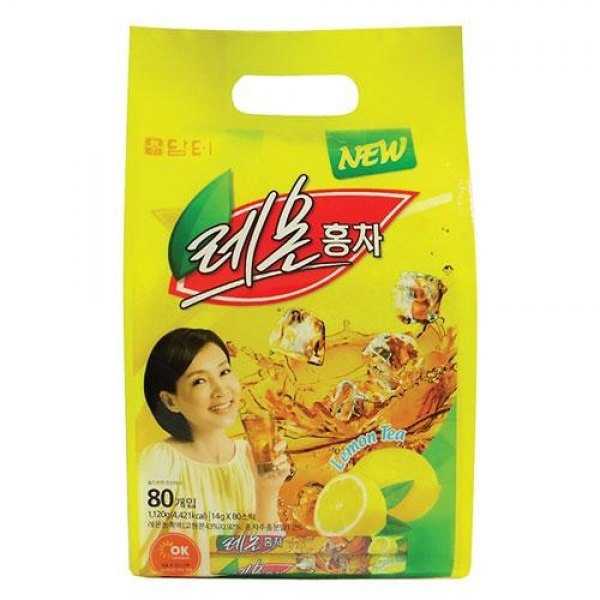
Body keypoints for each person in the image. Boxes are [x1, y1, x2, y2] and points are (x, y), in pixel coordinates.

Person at [139, 328, 290, 576]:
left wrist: (267, 492)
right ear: (170, 401)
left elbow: (268, 565)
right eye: (200, 381)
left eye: (224, 372)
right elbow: (136, 557)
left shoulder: (251, 457)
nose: (221, 390)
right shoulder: (161, 462)